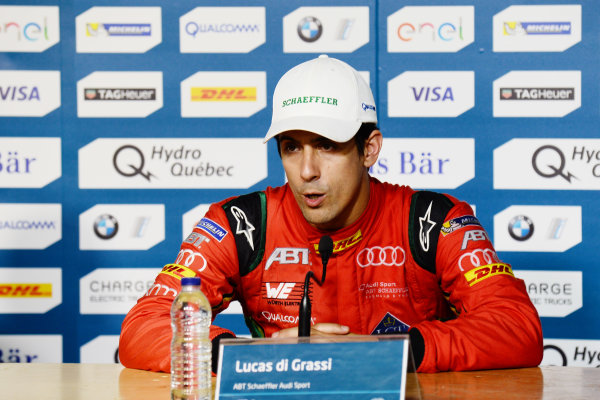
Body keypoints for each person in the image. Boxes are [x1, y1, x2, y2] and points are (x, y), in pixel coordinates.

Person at [119, 55, 543, 373]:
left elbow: (517, 328)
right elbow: (142, 327)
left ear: (369, 149)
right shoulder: (240, 224)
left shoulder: (434, 219)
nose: (307, 171)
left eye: (327, 145)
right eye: (291, 147)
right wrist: (250, 357)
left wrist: (383, 354)